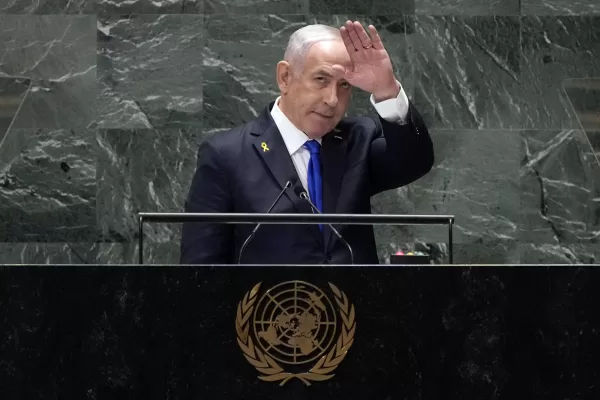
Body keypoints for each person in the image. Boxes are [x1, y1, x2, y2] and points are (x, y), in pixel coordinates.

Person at [180, 21, 434, 265]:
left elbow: (415, 161)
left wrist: (386, 89)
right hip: (269, 307)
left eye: (344, 85)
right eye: (321, 79)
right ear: (285, 77)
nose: (333, 99)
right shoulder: (226, 155)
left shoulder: (357, 140)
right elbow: (201, 270)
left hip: (353, 307)